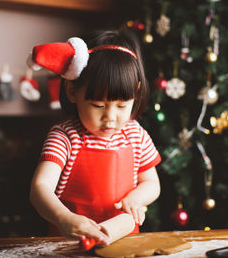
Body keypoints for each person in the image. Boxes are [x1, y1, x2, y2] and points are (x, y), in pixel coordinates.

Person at [29, 30, 161, 246]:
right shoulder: (64, 137)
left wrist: (136, 199)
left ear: (135, 94)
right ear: (72, 92)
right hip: (70, 244)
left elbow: (152, 183)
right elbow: (39, 188)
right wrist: (64, 218)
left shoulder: (135, 134)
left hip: (125, 242)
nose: (110, 117)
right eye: (98, 106)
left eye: (121, 106)